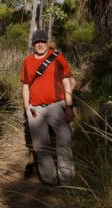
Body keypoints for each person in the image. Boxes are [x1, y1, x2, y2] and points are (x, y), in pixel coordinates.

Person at [21, 29, 76, 186]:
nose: (40, 44)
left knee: (64, 144)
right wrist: (27, 109)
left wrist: (69, 106)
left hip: (58, 106)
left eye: (43, 41)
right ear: (33, 44)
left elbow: (67, 82)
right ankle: (49, 180)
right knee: (41, 147)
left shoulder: (57, 57)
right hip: (35, 109)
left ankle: (67, 180)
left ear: (48, 42)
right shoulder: (27, 61)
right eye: (37, 42)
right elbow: (25, 86)